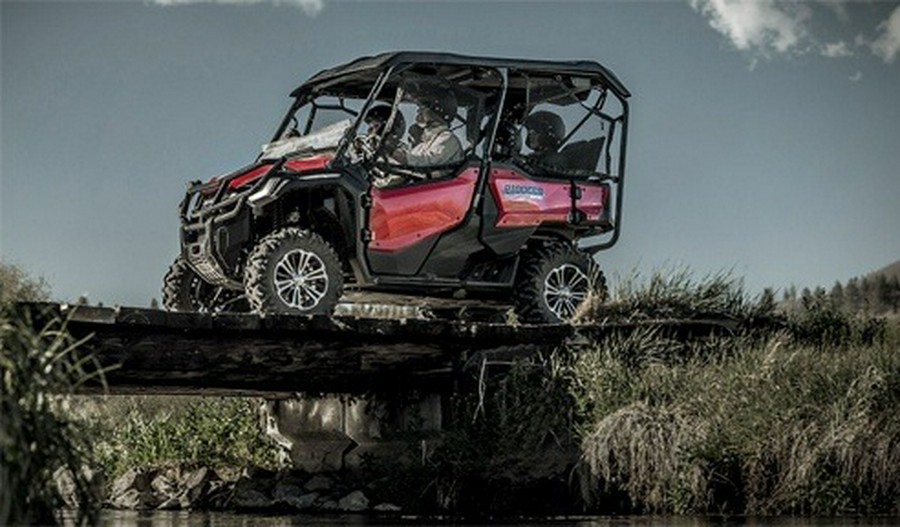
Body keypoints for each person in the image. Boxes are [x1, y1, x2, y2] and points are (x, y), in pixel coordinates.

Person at [394, 88, 463, 168]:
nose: (418, 111)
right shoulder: (424, 143)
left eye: (423, 107)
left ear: (438, 110)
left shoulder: (448, 139)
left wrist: (391, 151)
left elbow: (423, 162)